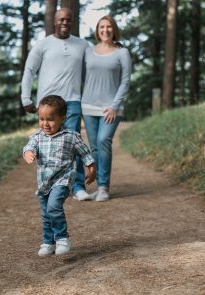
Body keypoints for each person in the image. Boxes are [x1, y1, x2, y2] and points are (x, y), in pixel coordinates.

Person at [21, 8, 91, 200]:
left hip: (73, 102)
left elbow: (92, 69)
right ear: (54, 21)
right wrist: (26, 98)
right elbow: (29, 70)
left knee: (73, 144)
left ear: (73, 22)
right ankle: (50, 184)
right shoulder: (43, 44)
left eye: (68, 20)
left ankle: (77, 187)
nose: (64, 23)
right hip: (47, 104)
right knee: (46, 146)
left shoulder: (83, 45)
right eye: (61, 19)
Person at [23, 95, 96, 256]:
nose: (45, 124)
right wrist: (28, 152)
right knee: (45, 214)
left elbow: (85, 154)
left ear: (62, 118)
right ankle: (48, 242)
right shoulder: (37, 137)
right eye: (41, 119)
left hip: (62, 180)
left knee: (54, 207)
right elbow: (29, 147)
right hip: (44, 183)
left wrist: (92, 169)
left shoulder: (70, 136)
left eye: (50, 119)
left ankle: (62, 238)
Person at [80, 15, 132, 202]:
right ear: (97, 30)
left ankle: (104, 188)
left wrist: (114, 106)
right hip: (88, 106)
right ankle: (99, 186)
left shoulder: (122, 53)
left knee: (103, 140)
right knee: (94, 146)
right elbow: (84, 76)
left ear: (114, 30)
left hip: (111, 108)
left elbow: (125, 82)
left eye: (109, 27)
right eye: (102, 27)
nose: (105, 30)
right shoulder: (89, 51)